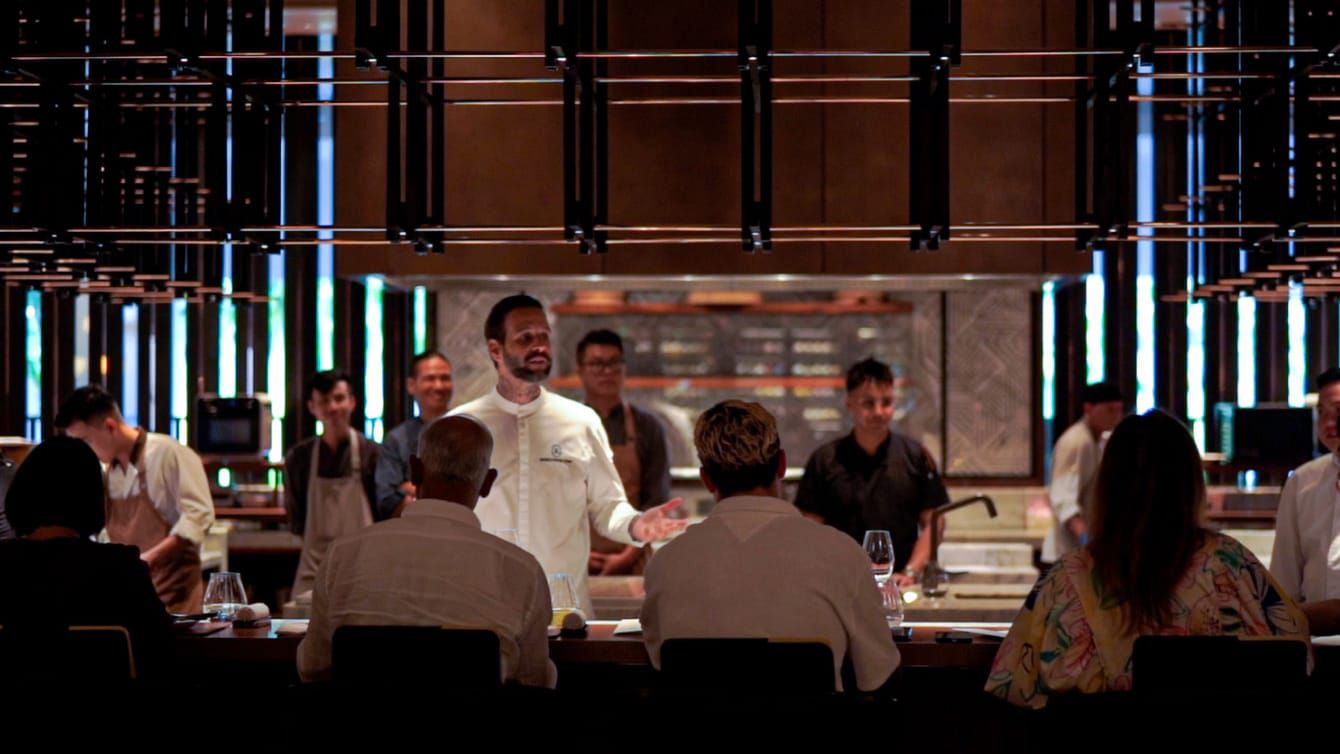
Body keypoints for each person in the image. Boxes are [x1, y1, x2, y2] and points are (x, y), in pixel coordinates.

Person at [985, 410, 1308, 709]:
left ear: (1107, 486)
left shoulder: (1068, 577)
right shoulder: (1230, 565)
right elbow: (1297, 655)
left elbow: (1012, 686)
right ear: (1191, 484)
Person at [449, 294, 687, 615]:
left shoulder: (580, 421)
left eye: (544, 336)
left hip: (563, 607)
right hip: (486, 601)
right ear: (496, 350)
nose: (539, 345)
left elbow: (607, 507)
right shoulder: (463, 424)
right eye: (525, 338)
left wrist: (635, 526)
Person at [641, 400, 901, 692]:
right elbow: (877, 671)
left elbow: (659, 661)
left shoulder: (666, 565)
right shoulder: (843, 556)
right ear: (781, 464)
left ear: (707, 479)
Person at [298, 416, 555, 687]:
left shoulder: (345, 554)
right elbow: (534, 682)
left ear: (415, 471)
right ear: (488, 482)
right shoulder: (520, 571)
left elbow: (313, 667)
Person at [0, 436, 173, 679]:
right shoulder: (120, 567)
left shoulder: (5, 565)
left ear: (21, 494)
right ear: (92, 499)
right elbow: (161, 646)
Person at [57, 385, 214, 613]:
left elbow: (198, 515)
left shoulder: (167, 453)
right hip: (129, 594)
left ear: (110, 426)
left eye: (86, 440)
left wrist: (149, 558)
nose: (85, 450)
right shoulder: (105, 470)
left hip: (174, 593)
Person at [793, 358, 948, 585]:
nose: (879, 412)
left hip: (899, 585)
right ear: (849, 404)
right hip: (839, 584)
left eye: (886, 402)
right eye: (868, 403)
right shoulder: (824, 460)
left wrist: (911, 573)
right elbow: (809, 529)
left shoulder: (916, 457)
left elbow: (935, 522)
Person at [575, 329, 672, 575]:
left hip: (633, 562)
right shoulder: (566, 426)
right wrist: (577, 554)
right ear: (580, 370)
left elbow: (656, 501)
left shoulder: (647, 427)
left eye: (614, 363)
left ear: (624, 368)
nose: (607, 371)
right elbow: (553, 503)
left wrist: (627, 556)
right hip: (575, 562)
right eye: (597, 364)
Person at [284, 370, 382, 597]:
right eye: (324, 401)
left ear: (352, 402)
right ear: (312, 407)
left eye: (338, 399)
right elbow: (296, 519)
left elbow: (383, 514)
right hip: (314, 570)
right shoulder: (299, 458)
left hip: (364, 566)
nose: (332, 408)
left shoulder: (373, 454)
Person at [1271, 367, 1340, 605]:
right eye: (1321, 412)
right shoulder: (1302, 481)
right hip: (1313, 636)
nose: (1329, 423)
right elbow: (1284, 574)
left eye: (1338, 410)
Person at [1042, 381, 1124, 565]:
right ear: (1089, 408)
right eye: (1109, 410)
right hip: (1067, 551)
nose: (1115, 416)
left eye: (1118, 411)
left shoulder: (1097, 442)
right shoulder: (1077, 442)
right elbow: (1063, 496)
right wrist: (1084, 535)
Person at [374, 351, 454, 519]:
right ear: (411, 385)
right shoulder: (397, 439)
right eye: (430, 378)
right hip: (410, 537)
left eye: (445, 378)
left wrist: (410, 488)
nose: (439, 386)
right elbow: (386, 503)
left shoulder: (469, 431)